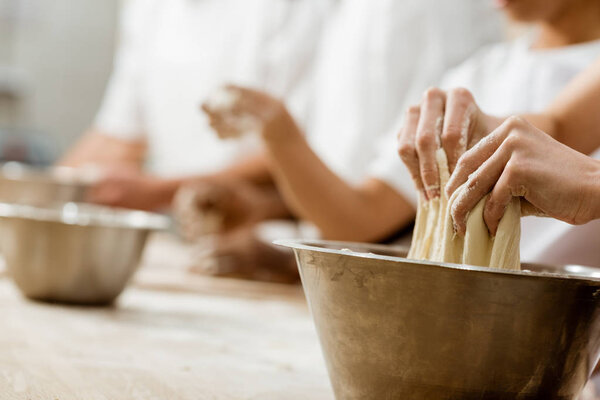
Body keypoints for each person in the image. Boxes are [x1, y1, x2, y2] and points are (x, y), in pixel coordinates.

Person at [180, 0, 502, 281]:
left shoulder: (442, 15)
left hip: (386, 288)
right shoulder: (345, 12)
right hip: (337, 264)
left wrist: (275, 126)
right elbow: (351, 170)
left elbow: (400, 204)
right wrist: (264, 208)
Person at [58, 0, 332, 211]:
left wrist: (159, 190)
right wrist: (43, 193)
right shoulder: (147, 7)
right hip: (189, 229)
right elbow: (118, 137)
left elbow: (305, 149)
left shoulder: (297, 8)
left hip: (276, 238)